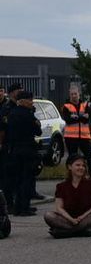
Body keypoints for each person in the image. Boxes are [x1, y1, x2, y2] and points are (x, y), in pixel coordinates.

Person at [43, 153, 91, 238]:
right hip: (68, 219)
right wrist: (71, 219)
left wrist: (82, 217)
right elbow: (59, 208)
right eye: (78, 165)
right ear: (69, 167)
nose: (81, 168)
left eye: (83, 166)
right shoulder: (61, 186)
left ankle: (66, 232)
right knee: (48, 215)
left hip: (86, 218)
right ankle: (81, 230)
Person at [3, 89, 41, 217]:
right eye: (30, 100)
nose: (32, 102)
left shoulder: (11, 114)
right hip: (27, 150)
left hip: (15, 150)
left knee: (18, 180)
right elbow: (37, 130)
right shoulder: (28, 114)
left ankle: (17, 207)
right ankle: (24, 207)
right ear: (23, 101)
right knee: (27, 179)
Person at [61, 84, 91, 159]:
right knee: (72, 158)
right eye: (72, 94)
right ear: (69, 95)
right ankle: (71, 170)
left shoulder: (85, 105)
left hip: (84, 136)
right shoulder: (66, 106)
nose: (74, 96)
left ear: (79, 93)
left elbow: (86, 120)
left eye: (75, 93)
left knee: (89, 156)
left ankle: (89, 170)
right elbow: (68, 120)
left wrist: (75, 117)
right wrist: (81, 117)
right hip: (71, 137)